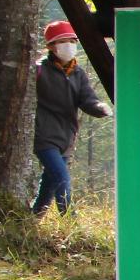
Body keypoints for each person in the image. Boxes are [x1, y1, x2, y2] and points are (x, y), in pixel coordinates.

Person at [32, 20, 109, 215]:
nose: (69, 46)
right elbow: (4, 88)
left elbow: (88, 100)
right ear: (51, 46)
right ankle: (70, 219)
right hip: (44, 136)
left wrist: (101, 108)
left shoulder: (78, 73)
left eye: (72, 41)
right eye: (62, 42)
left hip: (67, 139)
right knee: (62, 177)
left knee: (50, 182)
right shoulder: (39, 70)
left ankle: (33, 219)